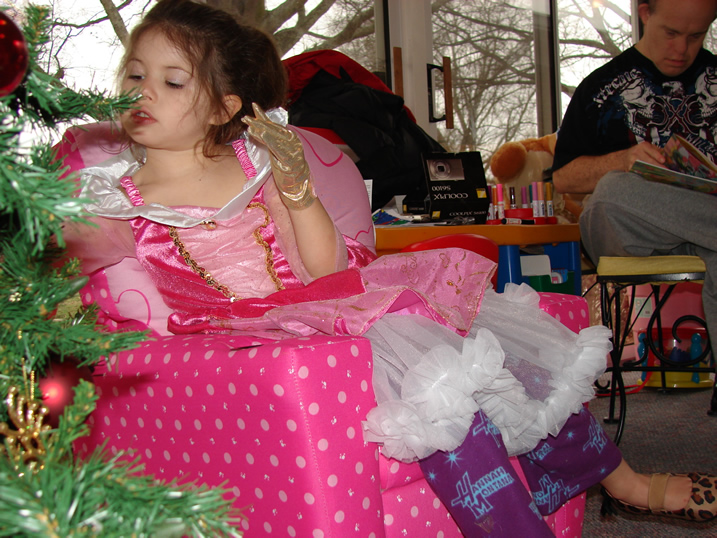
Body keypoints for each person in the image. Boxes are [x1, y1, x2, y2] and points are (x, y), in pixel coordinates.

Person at [62, 0, 716, 534]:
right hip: (251, 342)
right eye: (134, 75)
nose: (143, 92)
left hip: (325, 304)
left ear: (224, 107)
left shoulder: (254, 164)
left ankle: (623, 481)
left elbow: (322, 270)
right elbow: (79, 275)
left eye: (172, 81)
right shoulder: (110, 193)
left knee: (491, 354)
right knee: (442, 397)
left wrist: (296, 189)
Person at [553, 0, 717, 396]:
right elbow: (563, 179)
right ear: (645, 13)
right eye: (671, 33)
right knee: (612, 190)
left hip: (706, 228)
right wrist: (623, 160)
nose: (682, 49)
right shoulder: (600, 87)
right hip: (629, 231)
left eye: (696, 36)